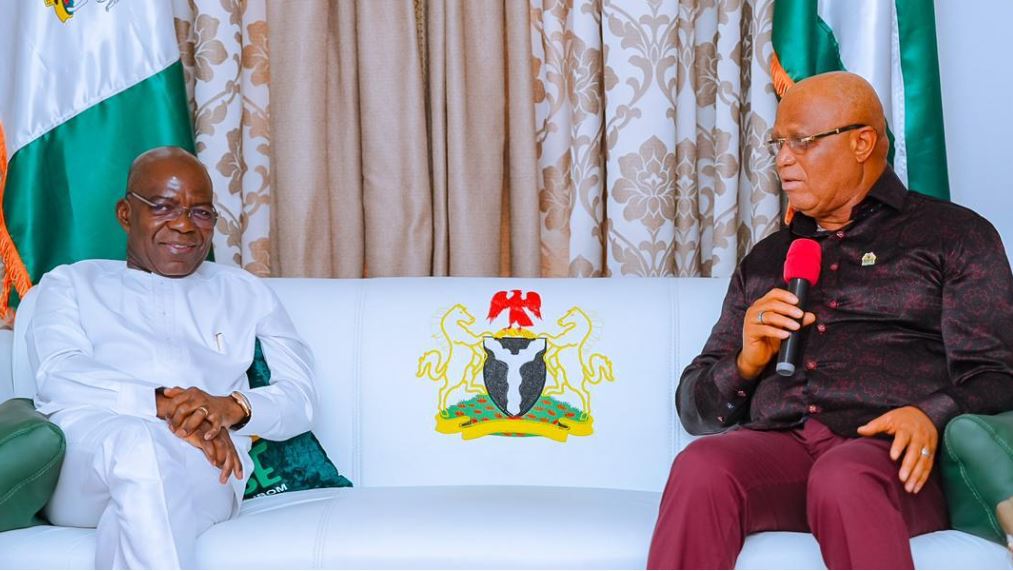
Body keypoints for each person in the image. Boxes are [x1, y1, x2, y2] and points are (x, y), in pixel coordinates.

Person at [647, 71, 1013, 569]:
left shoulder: (953, 235)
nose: (783, 160)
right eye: (778, 144)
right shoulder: (767, 259)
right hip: (784, 450)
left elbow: (996, 375)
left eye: (802, 141)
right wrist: (746, 363)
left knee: (843, 475)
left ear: (862, 142)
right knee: (702, 466)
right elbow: (695, 411)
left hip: (891, 460)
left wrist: (929, 413)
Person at [28, 147, 316, 569]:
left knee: (137, 510)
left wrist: (230, 407)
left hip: (207, 465)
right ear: (125, 213)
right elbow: (58, 374)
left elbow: (301, 398)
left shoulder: (245, 291)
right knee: (137, 445)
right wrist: (163, 404)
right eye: (163, 207)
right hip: (87, 462)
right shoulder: (71, 283)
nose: (184, 225)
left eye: (201, 212)